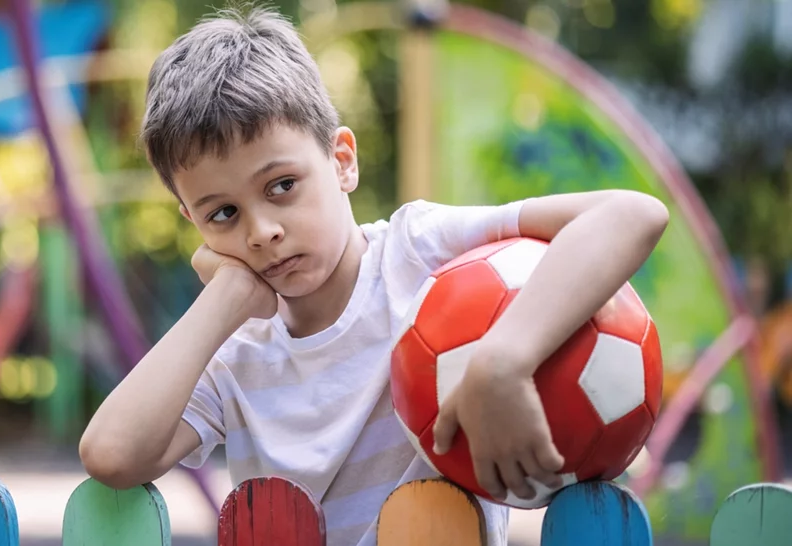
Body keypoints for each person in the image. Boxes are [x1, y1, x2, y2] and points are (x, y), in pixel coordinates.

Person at [78, 4, 668, 545]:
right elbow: (111, 454)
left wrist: (503, 360)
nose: (261, 232)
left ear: (341, 161)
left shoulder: (415, 252)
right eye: (223, 214)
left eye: (282, 186)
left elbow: (632, 214)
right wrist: (228, 293)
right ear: (193, 221)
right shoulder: (236, 352)